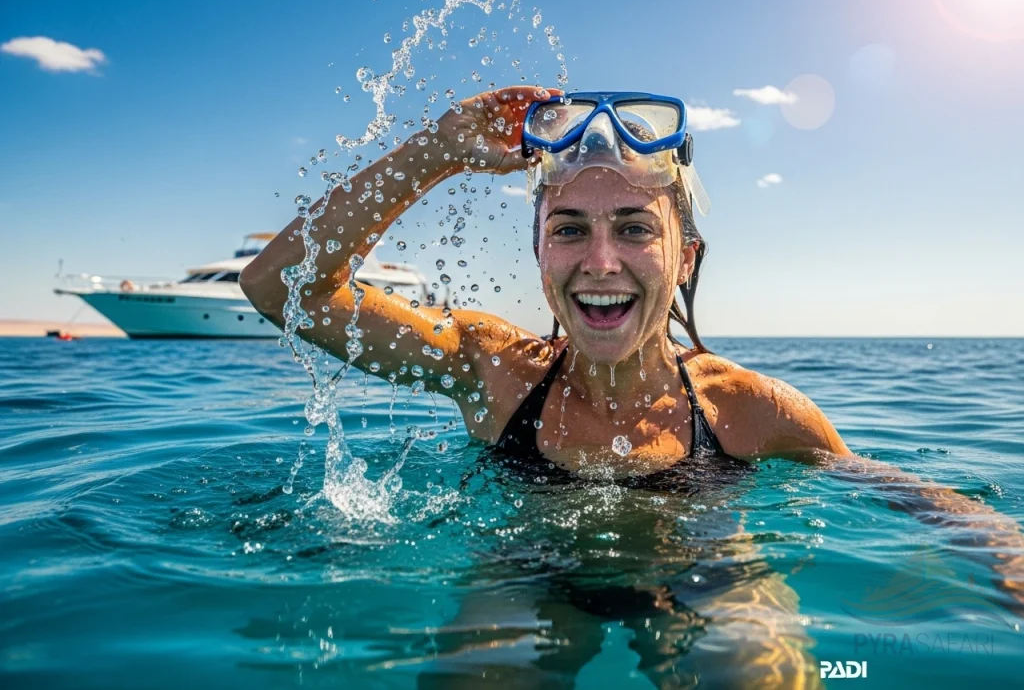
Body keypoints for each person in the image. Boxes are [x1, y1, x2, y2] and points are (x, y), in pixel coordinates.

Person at [241, 86, 1024, 686]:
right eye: (570, 228)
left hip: (710, 573)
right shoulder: (494, 370)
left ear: (684, 256)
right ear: (542, 254)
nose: (602, 261)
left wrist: (1005, 548)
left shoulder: (748, 409)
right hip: (525, 570)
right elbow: (282, 287)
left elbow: (897, 490)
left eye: (635, 227)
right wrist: (437, 150)